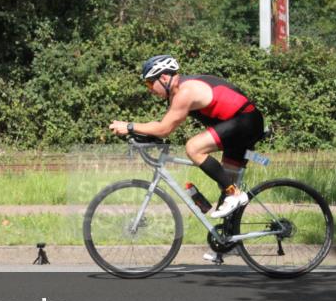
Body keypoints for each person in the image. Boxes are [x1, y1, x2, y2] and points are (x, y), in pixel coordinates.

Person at [109, 55, 266, 219]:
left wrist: (129, 126)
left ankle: (234, 194)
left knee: (193, 148)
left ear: (163, 77)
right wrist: (141, 136)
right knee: (225, 186)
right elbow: (166, 126)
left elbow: (164, 129)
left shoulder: (185, 92)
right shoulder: (178, 92)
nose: (149, 89)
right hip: (240, 124)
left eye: (149, 83)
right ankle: (229, 240)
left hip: (245, 122)